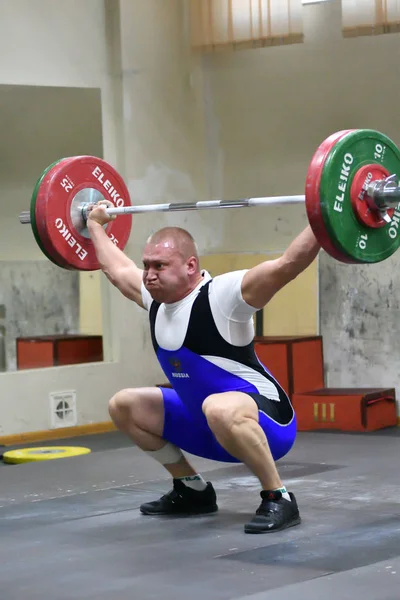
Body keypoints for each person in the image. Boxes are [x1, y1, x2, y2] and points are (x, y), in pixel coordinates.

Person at [87, 201, 320, 534]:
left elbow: (287, 265)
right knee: (124, 405)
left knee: (218, 407)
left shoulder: (222, 296)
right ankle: (192, 490)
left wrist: (325, 219)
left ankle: (278, 497)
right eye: (147, 265)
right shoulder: (155, 298)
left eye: (160, 266)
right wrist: (95, 224)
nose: (149, 274)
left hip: (268, 425)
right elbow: (117, 270)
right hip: (208, 423)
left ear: (190, 265)